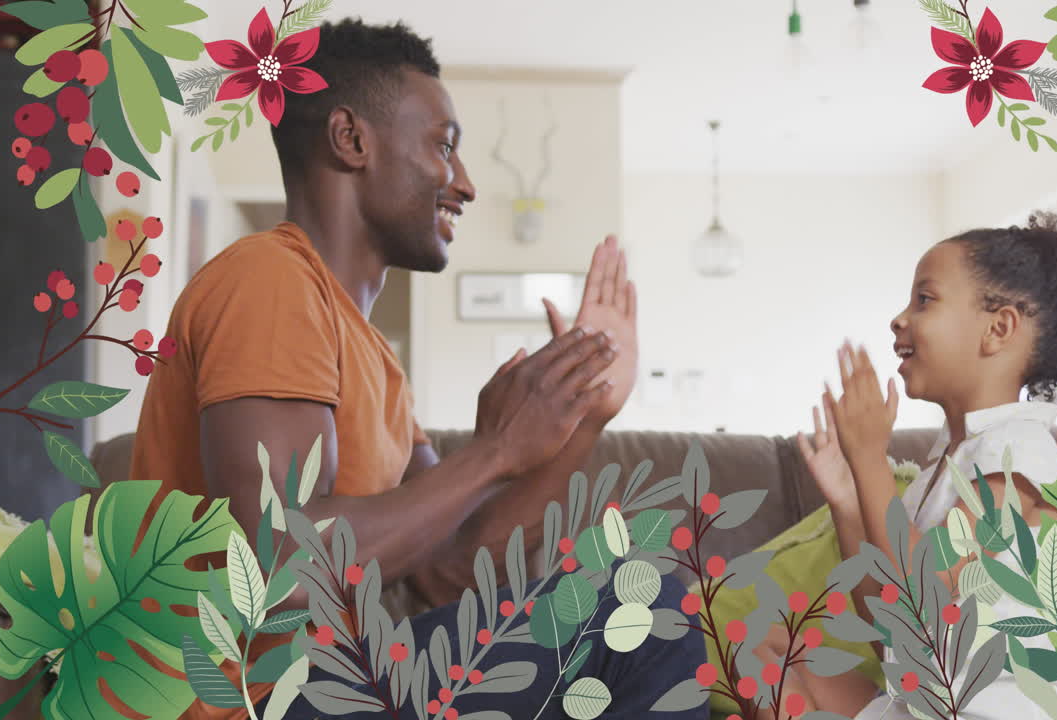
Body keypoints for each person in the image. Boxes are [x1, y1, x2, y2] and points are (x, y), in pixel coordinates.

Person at [130, 17, 705, 720]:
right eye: (444, 146)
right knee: (640, 605)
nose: (463, 183)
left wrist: (582, 417)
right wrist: (494, 452)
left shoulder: (373, 359)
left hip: (321, 686)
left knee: (634, 598)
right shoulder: (269, 281)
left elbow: (454, 569)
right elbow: (278, 566)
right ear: (351, 139)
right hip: (235, 701)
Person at [753, 212, 1057, 718]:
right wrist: (849, 500)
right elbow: (889, 627)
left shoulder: (1019, 455)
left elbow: (930, 595)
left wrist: (871, 461)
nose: (899, 319)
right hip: (930, 698)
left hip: (996, 709)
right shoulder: (937, 473)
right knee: (766, 648)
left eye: (925, 299)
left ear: (997, 328)